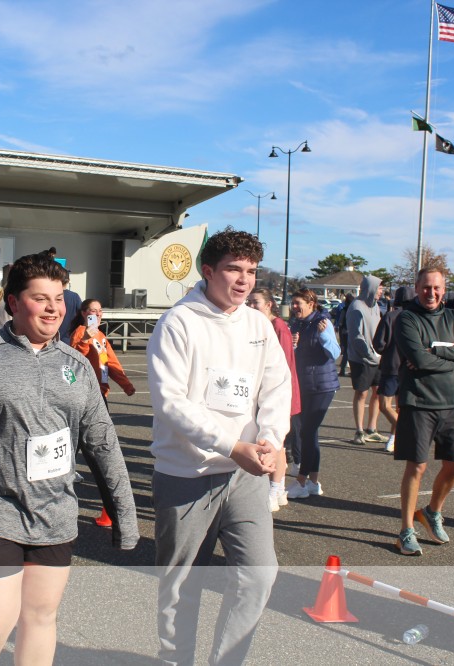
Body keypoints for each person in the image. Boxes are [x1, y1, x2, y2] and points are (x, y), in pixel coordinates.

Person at [0, 252, 138, 666]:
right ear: (15, 303)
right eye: (40, 298)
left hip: (54, 512)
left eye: (59, 298)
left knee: (40, 617)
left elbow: (103, 443)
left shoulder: (76, 366)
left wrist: (124, 515)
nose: (53, 308)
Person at [146, 227, 290, 665]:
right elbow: (171, 403)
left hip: (244, 475)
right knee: (181, 586)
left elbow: (277, 387)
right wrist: (231, 445)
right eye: (234, 269)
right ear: (208, 271)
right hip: (186, 474)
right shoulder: (178, 323)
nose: (244, 280)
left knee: (259, 575)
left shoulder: (258, 324)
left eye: (251, 271)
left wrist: (270, 438)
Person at [394, 268, 454, 556]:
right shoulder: (407, 319)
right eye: (426, 287)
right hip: (418, 402)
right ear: (417, 288)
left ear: (444, 289)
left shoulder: (453, 317)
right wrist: (453, 355)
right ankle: (406, 530)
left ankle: (431, 512)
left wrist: (436, 352)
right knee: (417, 466)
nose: (431, 293)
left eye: (437, 287)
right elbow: (418, 359)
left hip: (450, 402)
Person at [248, 287, 301, 511]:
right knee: (272, 442)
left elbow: (283, 367)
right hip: (262, 392)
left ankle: (275, 488)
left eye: (256, 302)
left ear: (269, 305)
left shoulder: (278, 326)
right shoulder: (258, 325)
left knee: (276, 443)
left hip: (281, 393)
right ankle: (278, 491)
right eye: (249, 302)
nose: (251, 306)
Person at [285, 289, 341, 500]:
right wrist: (294, 345)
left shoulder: (322, 322)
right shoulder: (297, 324)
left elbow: (335, 353)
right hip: (304, 384)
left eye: (298, 303)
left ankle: (301, 481)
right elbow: (298, 354)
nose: (294, 307)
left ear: (311, 303)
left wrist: (324, 336)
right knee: (309, 433)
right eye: (293, 303)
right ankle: (313, 483)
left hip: (322, 386)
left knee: (307, 431)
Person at [372, 286, 416, 454]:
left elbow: (378, 344)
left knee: (384, 405)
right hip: (410, 367)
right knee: (400, 408)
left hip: (391, 367)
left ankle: (404, 432)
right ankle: (394, 439)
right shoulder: (417, 318)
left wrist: (388, 350)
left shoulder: (390, 317)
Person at [346, 276, 389, 445]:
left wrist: (380, 353)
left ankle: (372, 429)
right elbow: (356, 337)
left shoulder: (376, 306)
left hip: (378, 358)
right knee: (362, 393)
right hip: (361, 359)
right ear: (371, 288)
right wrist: (370, 355)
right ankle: (359, 431)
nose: (381, 291)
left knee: (377, 391)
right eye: (379, 288)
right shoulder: (356, 307)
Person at [69, 299, 135, 406]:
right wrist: (85, 340)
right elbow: (76, 359)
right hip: (87, 391)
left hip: (101, 390)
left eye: (100, 310)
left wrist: (126, 385)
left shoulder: (100, 335)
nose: (98, 314)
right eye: (93, 311)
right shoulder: (80, 332)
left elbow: (110, 362)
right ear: (84, 313)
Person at [335, 293, 354, 376]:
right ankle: (353, 370)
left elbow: (340, 322)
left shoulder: (344, 309)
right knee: (352, 352)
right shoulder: (354, 309)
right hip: (353, 332)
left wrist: (338, 327)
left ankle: (342, 369)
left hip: (345, 332)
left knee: (346, 351)